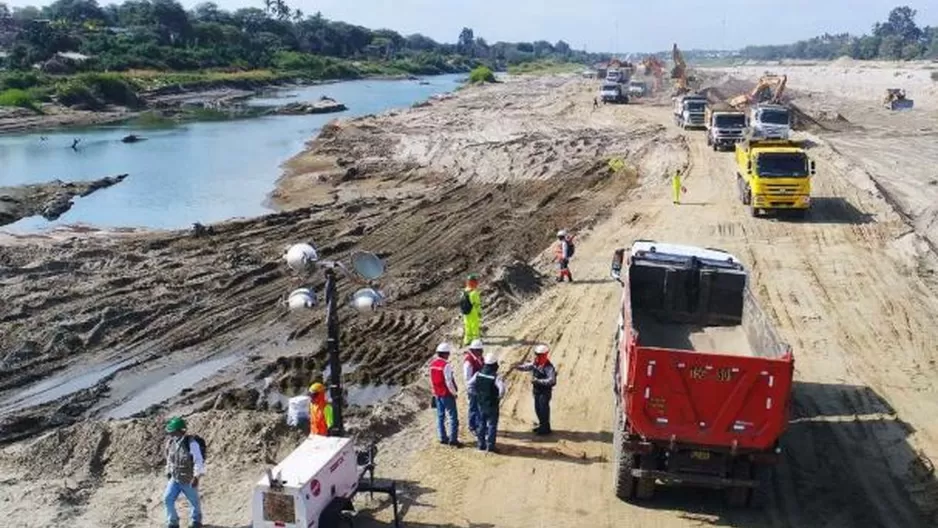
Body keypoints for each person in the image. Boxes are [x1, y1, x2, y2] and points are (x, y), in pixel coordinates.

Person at [163, 416, 204, 528]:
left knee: (194, 502)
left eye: (172, 431)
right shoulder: (171, 443)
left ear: (179, 431)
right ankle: (173, 522)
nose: (170, 434)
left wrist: (196, 477)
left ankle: (196, 522)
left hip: (188, 479)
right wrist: (168, 471)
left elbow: (198, 460)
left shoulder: (191, 443)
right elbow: (169, 459)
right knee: (167, 498)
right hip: (175, 478)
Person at [514, 344, 558, 435]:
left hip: (544, 392)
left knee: (544, 410)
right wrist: (518, 367)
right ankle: (542, 426)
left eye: (539, 355)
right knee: (538, 409)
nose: (537, 356)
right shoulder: (536, 363)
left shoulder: (548, 367)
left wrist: (538, 381)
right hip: (537, 391)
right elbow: (528, 367)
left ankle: (545, 429)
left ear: (545, 355)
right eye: (537, 354)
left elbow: (552, 380)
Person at [468, 352, 506, 452]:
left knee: (481, 424)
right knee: (492, 425)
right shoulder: (495, 377)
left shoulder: (478, 374)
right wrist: (498, 397)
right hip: (492, 405)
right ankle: (491, 446)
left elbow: (470, 385)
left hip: (481, 404)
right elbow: (502, 389)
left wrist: (476, 394)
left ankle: (481, 444)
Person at [429, 342, 461, 446]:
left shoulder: (432, 364)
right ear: (445, 353)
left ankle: (442, 437)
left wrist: (434, 392)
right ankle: (453, 440)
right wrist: (454, 393)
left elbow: (432, 380)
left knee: (440, 416)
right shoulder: (446, 365)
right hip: (446, 394)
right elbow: (449, 381)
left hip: (437, 394)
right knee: (453, 417)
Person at [463, 339, 485, 436]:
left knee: (479, 408)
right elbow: (467, 377)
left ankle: (479, 425)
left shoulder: (479, 358)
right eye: (480, 350)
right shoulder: (469, 361)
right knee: (473, 408)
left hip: (480, 388)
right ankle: (473, 426)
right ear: (474, 350)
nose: (481, 352)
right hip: (473, 388)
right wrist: (470, 388)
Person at [462, 273, 483, 346]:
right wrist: (479, 312)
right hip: (472, 312)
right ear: (473, 282)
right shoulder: (474, 293)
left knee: (467, 325)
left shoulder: (464, 291)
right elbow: (477, 304)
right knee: (474, 325)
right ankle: (476, 340)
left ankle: (467, 340)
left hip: (465, 312)